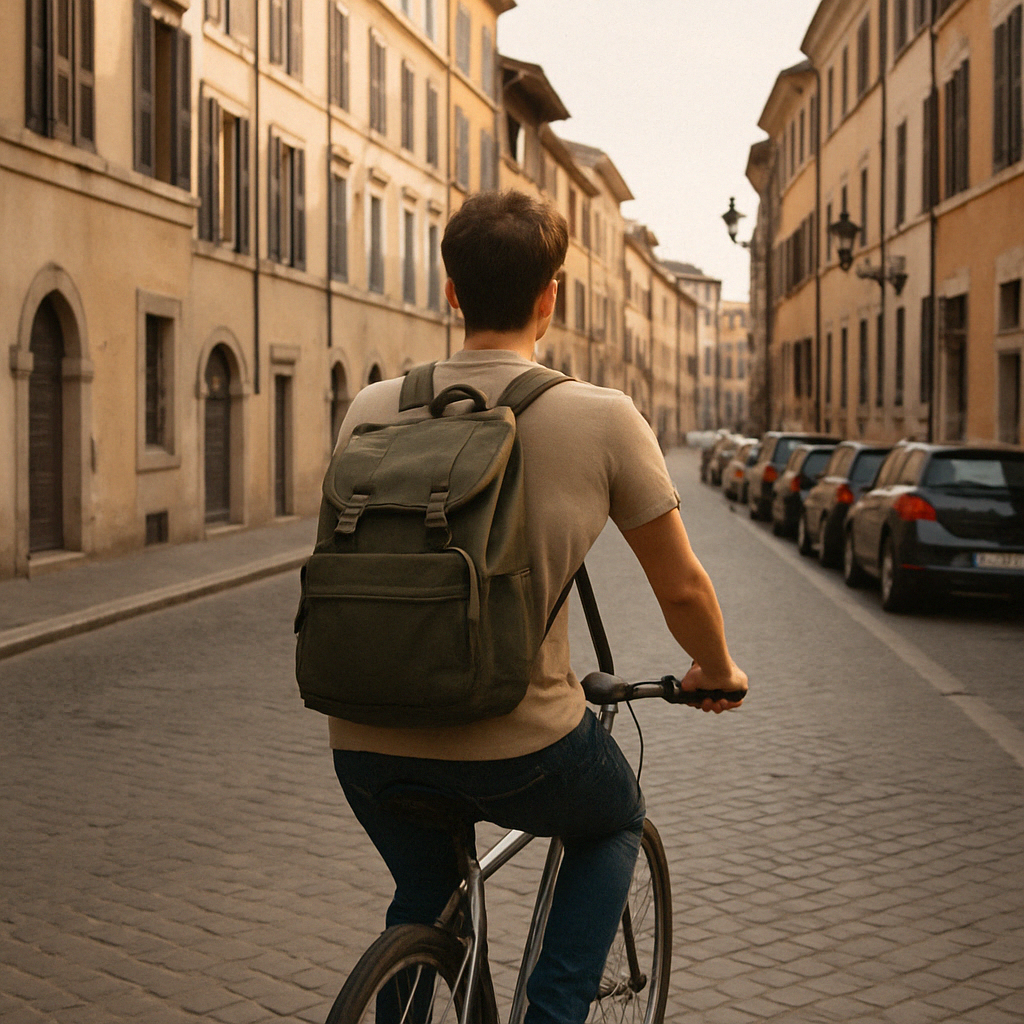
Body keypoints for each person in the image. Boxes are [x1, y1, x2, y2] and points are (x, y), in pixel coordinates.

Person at [329, 190, 748, 1024]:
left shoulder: (372, 408)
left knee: (422, 892)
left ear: (450, 292)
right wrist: (717, 668)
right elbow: (682, 587)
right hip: (519, 744)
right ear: (551, 295)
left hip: (364, 739)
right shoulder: (600, 417)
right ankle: (550, 1013)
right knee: (614, 814)